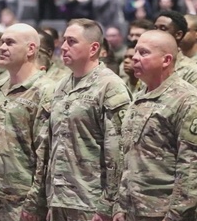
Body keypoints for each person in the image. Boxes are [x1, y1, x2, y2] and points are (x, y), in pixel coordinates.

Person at [113, 30, 197, 221]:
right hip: (132, 211)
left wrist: (176, 215)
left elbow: (191, 167)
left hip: (162, 213)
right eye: (135, 52)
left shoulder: (187, 100)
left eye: (144, 53)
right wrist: (119, 206)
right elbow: (128, 158)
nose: (135, 58)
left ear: (166, 60)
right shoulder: (139, 98)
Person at [46, 18, 132, 221]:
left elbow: (118, 150)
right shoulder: (62, 85)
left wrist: (109, 202)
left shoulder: (110, 86)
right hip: (60, 199)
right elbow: (53, 145)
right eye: (64, 41)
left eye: (72, 41)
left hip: (92, 202)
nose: (64, 47)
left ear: (93, 48)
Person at [0, 23, 53, 221]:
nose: (2, 48)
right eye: (2, 43)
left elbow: (46, 153)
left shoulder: (46, 90)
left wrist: (35, 203)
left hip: (22, 201)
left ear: (31, 49)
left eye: (10, 43)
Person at [154, 10, 197, 88]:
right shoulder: (150, 63)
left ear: (178, 34)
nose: (156, 33)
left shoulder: (193, 71)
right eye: (155, 28)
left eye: (163, 28)